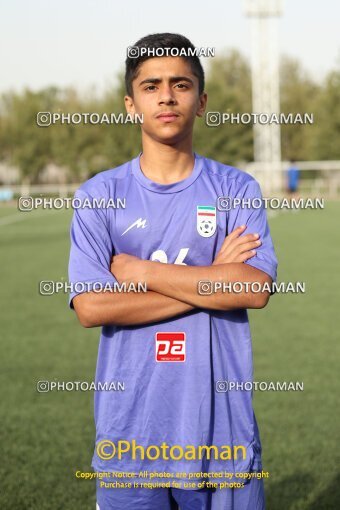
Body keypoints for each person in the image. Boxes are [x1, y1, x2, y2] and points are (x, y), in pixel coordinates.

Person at [68, 32, 278, 510]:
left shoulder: (236, 188)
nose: (166, 95)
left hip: (220, 437)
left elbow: (255, 289)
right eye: (151, 85)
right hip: (128, 439)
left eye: (181, 85)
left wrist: (140, 270)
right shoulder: (99, 196)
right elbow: (92, 306)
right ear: (130, 103)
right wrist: (214, 278)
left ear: (201, 101)